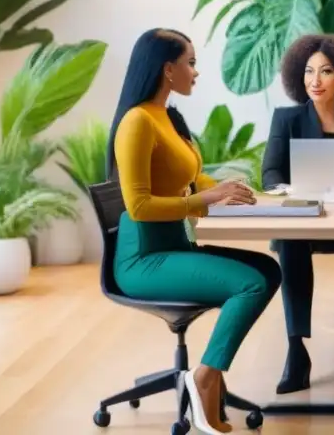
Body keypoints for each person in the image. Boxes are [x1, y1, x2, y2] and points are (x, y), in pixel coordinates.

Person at [108, 29, 281, 435]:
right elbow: (139, 205)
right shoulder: (137, 122)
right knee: (251, 284)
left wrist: (230, 190)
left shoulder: (166, 117)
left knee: (270, 271)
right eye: (191, 62)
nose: (195, 72)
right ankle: (205, 376)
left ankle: (209, 374)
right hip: (143, 260)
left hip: (175, 245)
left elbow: (188, 176)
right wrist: (203, 201)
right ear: (168, 69)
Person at [261, 33, 334, 394]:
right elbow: (270, 174)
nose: (315, 80)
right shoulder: (287, 119)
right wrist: (291, 192)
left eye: (325, 71)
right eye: (309, 71)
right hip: (307, 218)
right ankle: (297, 350)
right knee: (292, 241)